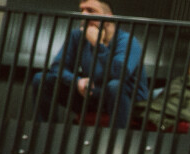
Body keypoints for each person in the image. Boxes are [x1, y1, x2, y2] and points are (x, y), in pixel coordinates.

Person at [30, 0, 148, 129]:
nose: (84, 15)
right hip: (93, 95)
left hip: (126, 99)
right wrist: (76, 81)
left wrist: (98, 45)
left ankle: (117, 137)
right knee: (41, 79)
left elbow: (120, 73)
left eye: (91, 11)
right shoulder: (78, 36)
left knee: (115, 86)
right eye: (82, 10)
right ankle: (45, 131)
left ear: (108, 17)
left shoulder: (126, 40)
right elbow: (57, 67)